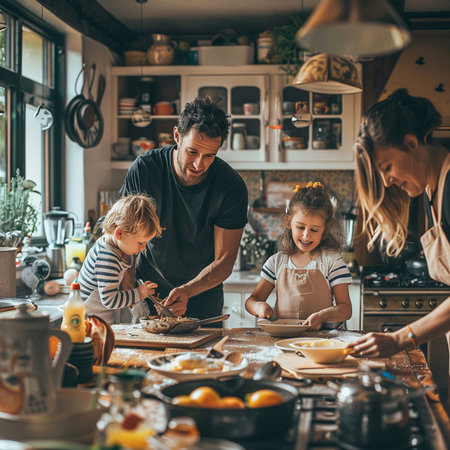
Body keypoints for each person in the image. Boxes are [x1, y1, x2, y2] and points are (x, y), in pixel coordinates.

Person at [120, 96, 248, 320]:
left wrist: (187, 291)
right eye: (193, 152)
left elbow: (224, 262)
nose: (200, 164)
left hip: (202, 304)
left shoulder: (230, 186)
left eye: (210, 156)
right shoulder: (144, 171)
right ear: (177, 136)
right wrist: (131, 291)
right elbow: (124, 239)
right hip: (147, 296)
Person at [347, 88, 450, 360]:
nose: (386, 182)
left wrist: (400, 338)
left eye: (387, 166)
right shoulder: (431, 190)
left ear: (411, 144)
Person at [245, 182, 352, 330]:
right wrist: (259, 307)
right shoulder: (276, 262)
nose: (306, 235)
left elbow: (345, 309)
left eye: (314, 230)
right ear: (288, 222)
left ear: (325, 230)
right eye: (300, 227)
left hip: (322, 341)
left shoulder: (332, 261)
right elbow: (251, 301)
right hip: (282, 339)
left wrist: (322, 316)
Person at [78, 194, 162, 324]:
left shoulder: (114, 245)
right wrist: (139, 293)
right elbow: (110, 301)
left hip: (102, 314)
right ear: (119, 233)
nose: (144, 248)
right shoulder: (107, 258)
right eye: (140, 243)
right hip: (92, 321)